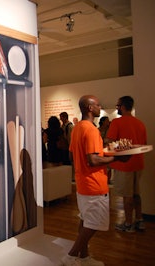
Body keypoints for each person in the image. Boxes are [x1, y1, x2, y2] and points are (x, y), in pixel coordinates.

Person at [62, 95, 130, 266]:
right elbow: (93, 160)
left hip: (82, 183)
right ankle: (70, 257)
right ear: (90, 108)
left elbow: (71, 155)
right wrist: (117, 158)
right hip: (94, 184)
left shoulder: (77, 128)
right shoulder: (91, 130)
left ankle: (84, 258)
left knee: (86, 220)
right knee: (93, 224)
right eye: (98, 105)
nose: (101, 107)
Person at [106, 96, 147, 232]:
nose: (117, 108)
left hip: (124, 164)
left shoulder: (117, 123)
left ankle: (128, 223)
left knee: (127, 195)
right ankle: (139, 220)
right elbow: (143, 145)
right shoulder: (140, 123)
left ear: (122, 106)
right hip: (138, 162)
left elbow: (111, 142)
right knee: (136, 193)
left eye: (118, 106)